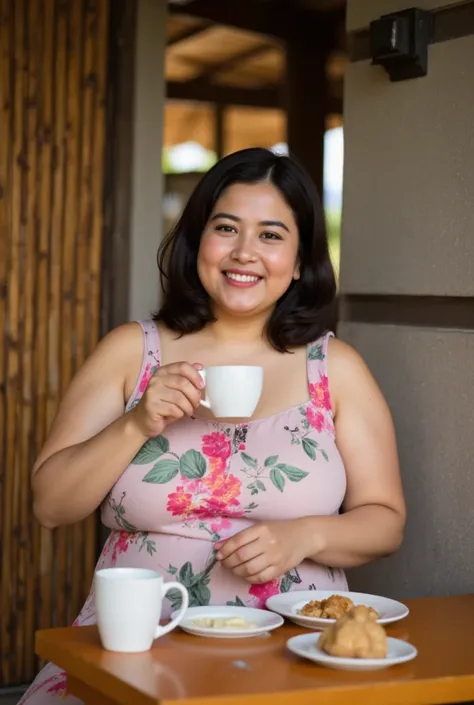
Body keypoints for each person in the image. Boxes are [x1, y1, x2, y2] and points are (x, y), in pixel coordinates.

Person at [20, 148, 406, 703]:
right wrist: (137, 423)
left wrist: (306, 535)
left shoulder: (335, 367)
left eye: (271, 235)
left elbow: (386, 521)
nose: (244, 252)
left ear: (300, 260)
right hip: (137, 648)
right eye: (226, 228)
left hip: (294, 655)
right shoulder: (133, 351)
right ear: (199, 240)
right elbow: (50, 507)